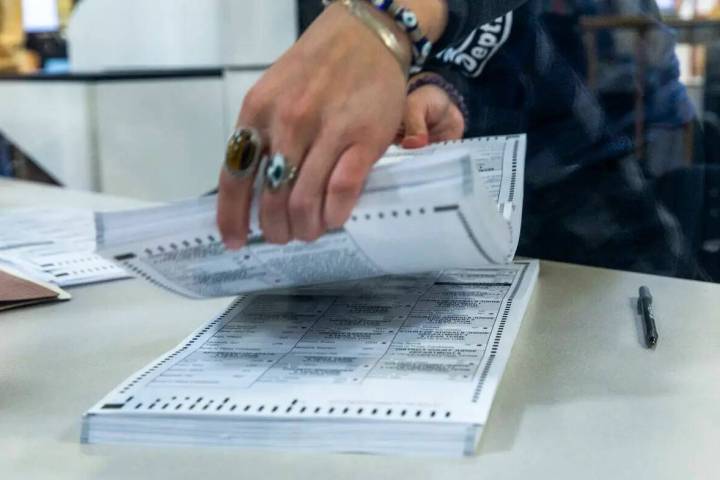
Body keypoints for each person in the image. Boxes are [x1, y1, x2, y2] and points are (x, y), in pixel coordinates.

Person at [217, 0, 524, 248]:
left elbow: (532, 62)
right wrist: (433, 87)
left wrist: (387, 18)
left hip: (541, 222)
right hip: (385, 243)